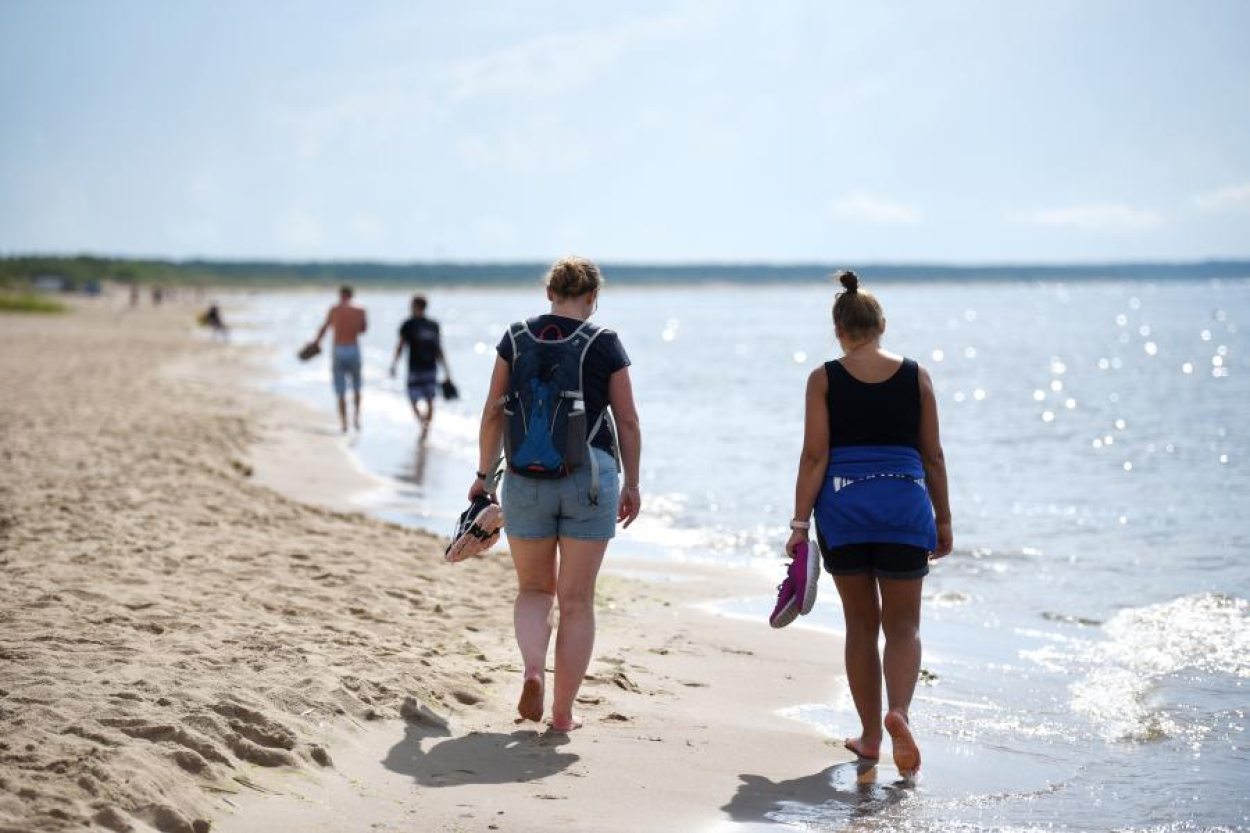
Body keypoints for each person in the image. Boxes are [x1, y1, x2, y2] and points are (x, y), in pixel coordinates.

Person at [785, 270, 952, 777]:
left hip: (845, 511)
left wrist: (798, 523)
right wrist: (942, 520)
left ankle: (871, 737)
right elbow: (934, 456)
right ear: (881, 324)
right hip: (904, 508)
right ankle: (898, 711)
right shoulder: (917, 376)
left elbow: (815, 456)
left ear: (839, 330)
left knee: (861, 624)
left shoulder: (824, 378)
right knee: (904, 624)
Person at [469, 256, 642, 732]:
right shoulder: (604, 342)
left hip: (525, 479)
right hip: (590, 478)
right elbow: (627, 420)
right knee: (577, 600)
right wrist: (633, 482)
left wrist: (485, 477)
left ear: (549, 293)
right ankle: (563, 714)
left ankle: (530, 670)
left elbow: (491, 413)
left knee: (533, 590)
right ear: (592, 298)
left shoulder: (515, 337)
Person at [390, 295, 452, 439]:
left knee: (415, 399)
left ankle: (424, 425)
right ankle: (425, 425)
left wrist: (394, 364)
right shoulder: (432, 324)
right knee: (428, 400)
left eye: (412, 305)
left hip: (418, 368)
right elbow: (439, 349)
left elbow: (401, 346)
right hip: (430, 368)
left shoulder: (409, 324)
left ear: (417, 306)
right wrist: (446, 370)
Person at [312, 285, 368, 433]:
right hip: (353, 348)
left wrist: (316, 342)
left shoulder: (334, 309)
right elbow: (363, 330)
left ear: (341, 295)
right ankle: (356, 417)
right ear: (352, 295)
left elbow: (324, 328)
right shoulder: (360, 309)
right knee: (357, 386)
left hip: (338, 349)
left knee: (340, 389)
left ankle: (344, 424)